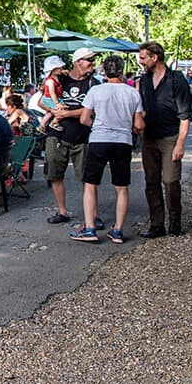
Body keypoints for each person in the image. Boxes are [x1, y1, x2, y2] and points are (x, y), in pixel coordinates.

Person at [70, 55, 145, 244]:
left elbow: (84, 119)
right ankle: (118, 230)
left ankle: (89, 228)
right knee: (121, 187)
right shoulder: (132, 93)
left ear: (104, 70)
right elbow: (138, 125)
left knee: (90, 184)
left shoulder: (95, 91)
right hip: (123, 141)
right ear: (122, 70)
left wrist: (98, 124)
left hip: (99, 139)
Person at [137, 41, 192, 238]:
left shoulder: (176, 80)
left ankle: (175, 220)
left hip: (170, 137)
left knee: (170, 181)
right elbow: (141, 108)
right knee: (151, 181)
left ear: (155, 57)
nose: (140, 61)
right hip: (149, 137)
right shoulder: (143, 81)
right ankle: (157, 224)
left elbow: (185, 116)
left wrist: (180, 143)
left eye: (143, 57)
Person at [44, 49, 98, 225]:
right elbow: (42, 99)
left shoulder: (93, 83)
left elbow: (92, 109)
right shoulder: (60, 79)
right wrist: (53, 110)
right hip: (57, 135)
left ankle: (93, 215)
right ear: (77, 62)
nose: (92, 63)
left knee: (87, 178)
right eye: (89, 60)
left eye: (93, 60)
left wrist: (67, 114)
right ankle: (62, 211)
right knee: (55, 174)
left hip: (82, 136)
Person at [38, 55, 67, 133]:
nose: (62, 69)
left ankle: (42, 125)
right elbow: (52, 93)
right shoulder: (50, 81)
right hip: (51, 98)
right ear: (53, 69)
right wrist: (57, 103)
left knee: (50, 113)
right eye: (60, 68)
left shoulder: (56, 77)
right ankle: (54, 122)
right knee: (61, 109)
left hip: (53, 98)